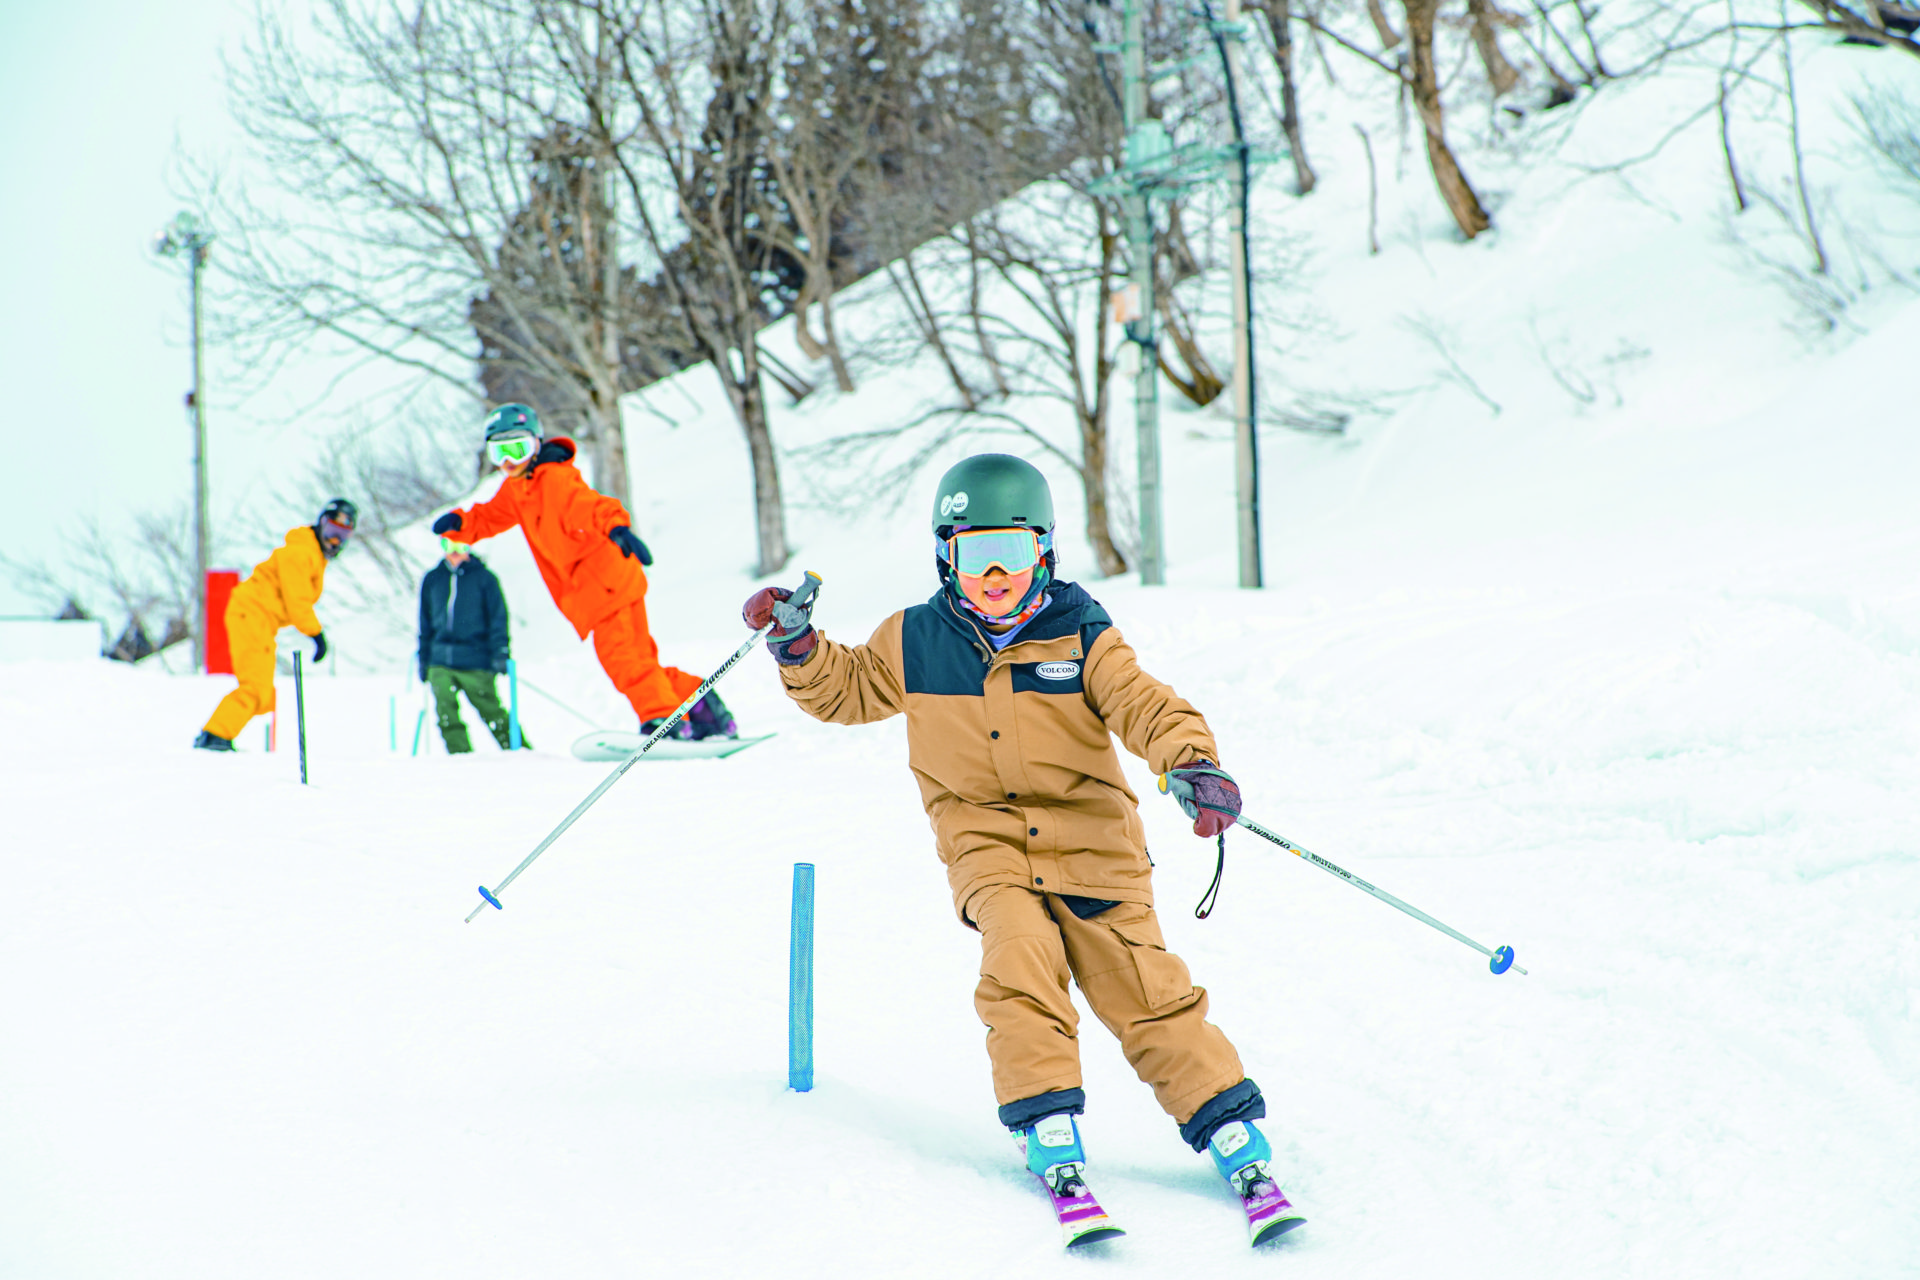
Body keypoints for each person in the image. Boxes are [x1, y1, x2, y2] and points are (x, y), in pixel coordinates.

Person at [742, 454, 1302, 1245]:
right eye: (974, 552)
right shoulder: (914, 639)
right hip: (987, 843)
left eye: (1012, 548)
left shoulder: (1082, 634)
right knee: (1020, 956)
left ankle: (1229, 1128)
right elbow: (849, 690)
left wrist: (1192, 763)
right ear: (946, 556)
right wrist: (799, 647)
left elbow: (1144, 704)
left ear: (1044, 549)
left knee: (1144, 988)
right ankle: (1049, 1127)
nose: (994, 571)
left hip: (1095, 846)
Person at [430, 404, 736, 740]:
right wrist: (461, 524)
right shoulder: (518, 489)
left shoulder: (555, 480)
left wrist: (618, 529)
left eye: (517, 449)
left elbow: (593, 507)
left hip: (604, 585)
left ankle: (663, 720)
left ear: (536, 445)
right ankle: (707, 711)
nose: (508, 461)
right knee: (639, 661)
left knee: (624, 662)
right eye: (499, 451)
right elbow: (490, 516)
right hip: (608, 586)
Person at [194, 498, 356, 752]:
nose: (336, 541)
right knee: (255, 687)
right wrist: (316, 635)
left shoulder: (311, 554)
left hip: (260, 620)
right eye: (333, 533)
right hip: (252, 616)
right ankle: (215, 736)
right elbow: (297, 601)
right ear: (321, 524)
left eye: (343, 536)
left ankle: (216, 735)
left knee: (263, 692)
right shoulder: (302, 553)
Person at [418, 536, 529, 753]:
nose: (455, 552)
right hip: (440, 659)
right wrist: (424, 659)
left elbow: (498, 619)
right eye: (448, 545)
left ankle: (521, 753)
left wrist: (500, 652)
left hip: (475, 657)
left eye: (460, 545)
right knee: (445, 711)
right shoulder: (433, 579)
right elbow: (425, 622)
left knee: (492, 712)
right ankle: (461, 756)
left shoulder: (484, 578)